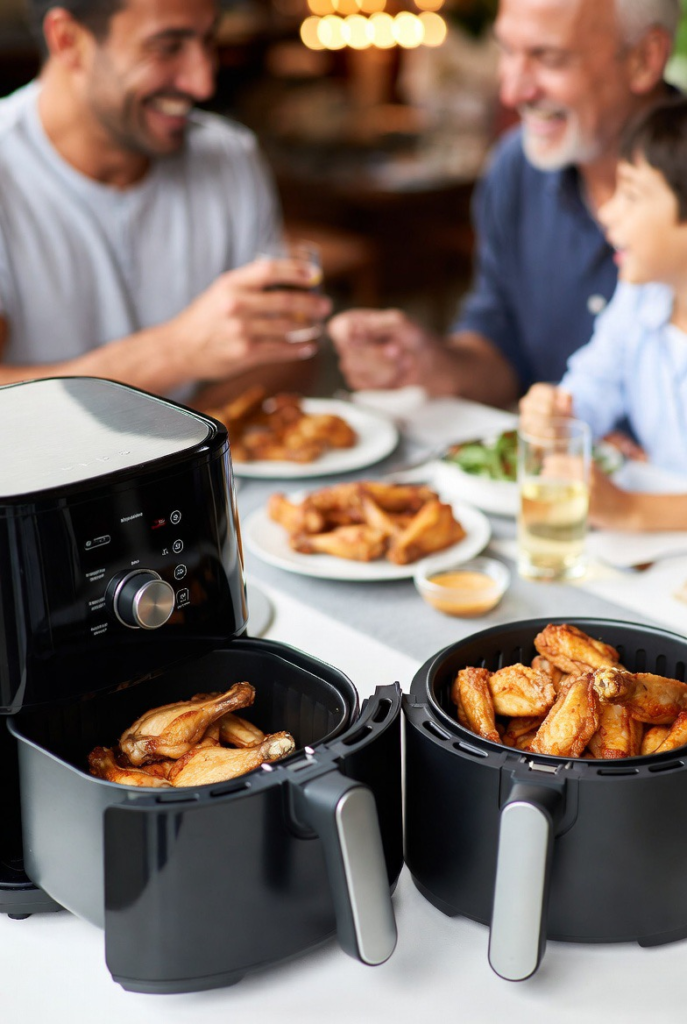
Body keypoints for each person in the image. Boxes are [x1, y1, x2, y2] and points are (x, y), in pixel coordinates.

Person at [328, 0, 678, 409]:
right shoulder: (517, 168)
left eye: (548, 58)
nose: (512, 93)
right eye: (507, 51)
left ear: (644, 58)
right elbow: (503, 349)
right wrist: (428, 363)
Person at [0, 0, 331, 405]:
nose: (203, 83)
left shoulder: (231, 154)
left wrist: (183, 454)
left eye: (209, 41)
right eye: (168, 47)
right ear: (68, 41)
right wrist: (177, 352)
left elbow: (289, 357)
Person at [520, 97, 687, 532]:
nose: (608, 212)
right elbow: (594, 384)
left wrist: (631, 510)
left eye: (631, 195)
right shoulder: (641, 298)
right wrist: (558, 416)